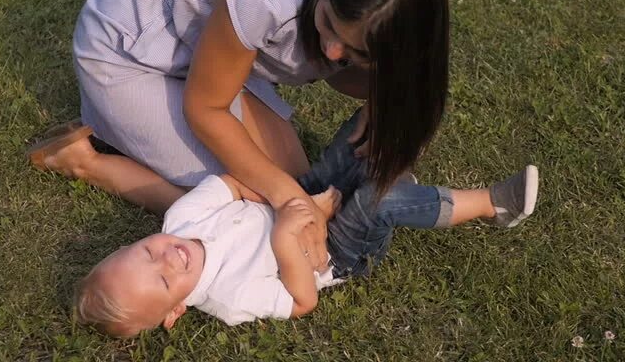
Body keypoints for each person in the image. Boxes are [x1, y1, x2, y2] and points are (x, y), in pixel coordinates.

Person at [28, 0, 454, 269]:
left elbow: (379, 73)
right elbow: (206, 109)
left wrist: (384, 104)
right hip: (129, 48)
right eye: (328, 26)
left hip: (202, 50)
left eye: (354, 50)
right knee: (255, 208)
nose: (332, 49)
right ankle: (85, 163)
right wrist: (286, 198)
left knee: (292, 182)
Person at [73, 112, 539, 336]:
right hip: (334, 252)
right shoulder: (229, 297)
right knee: (375, 204)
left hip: (297, 200)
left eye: (146, 251)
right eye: (163, 279)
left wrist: (299, 204)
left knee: (352, 138)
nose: (168, 258)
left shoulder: (181, 218)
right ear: (174, 312)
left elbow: (234, 186)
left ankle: (389, 162)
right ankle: (495, 205)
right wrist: (286, 236)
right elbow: (302, 300)